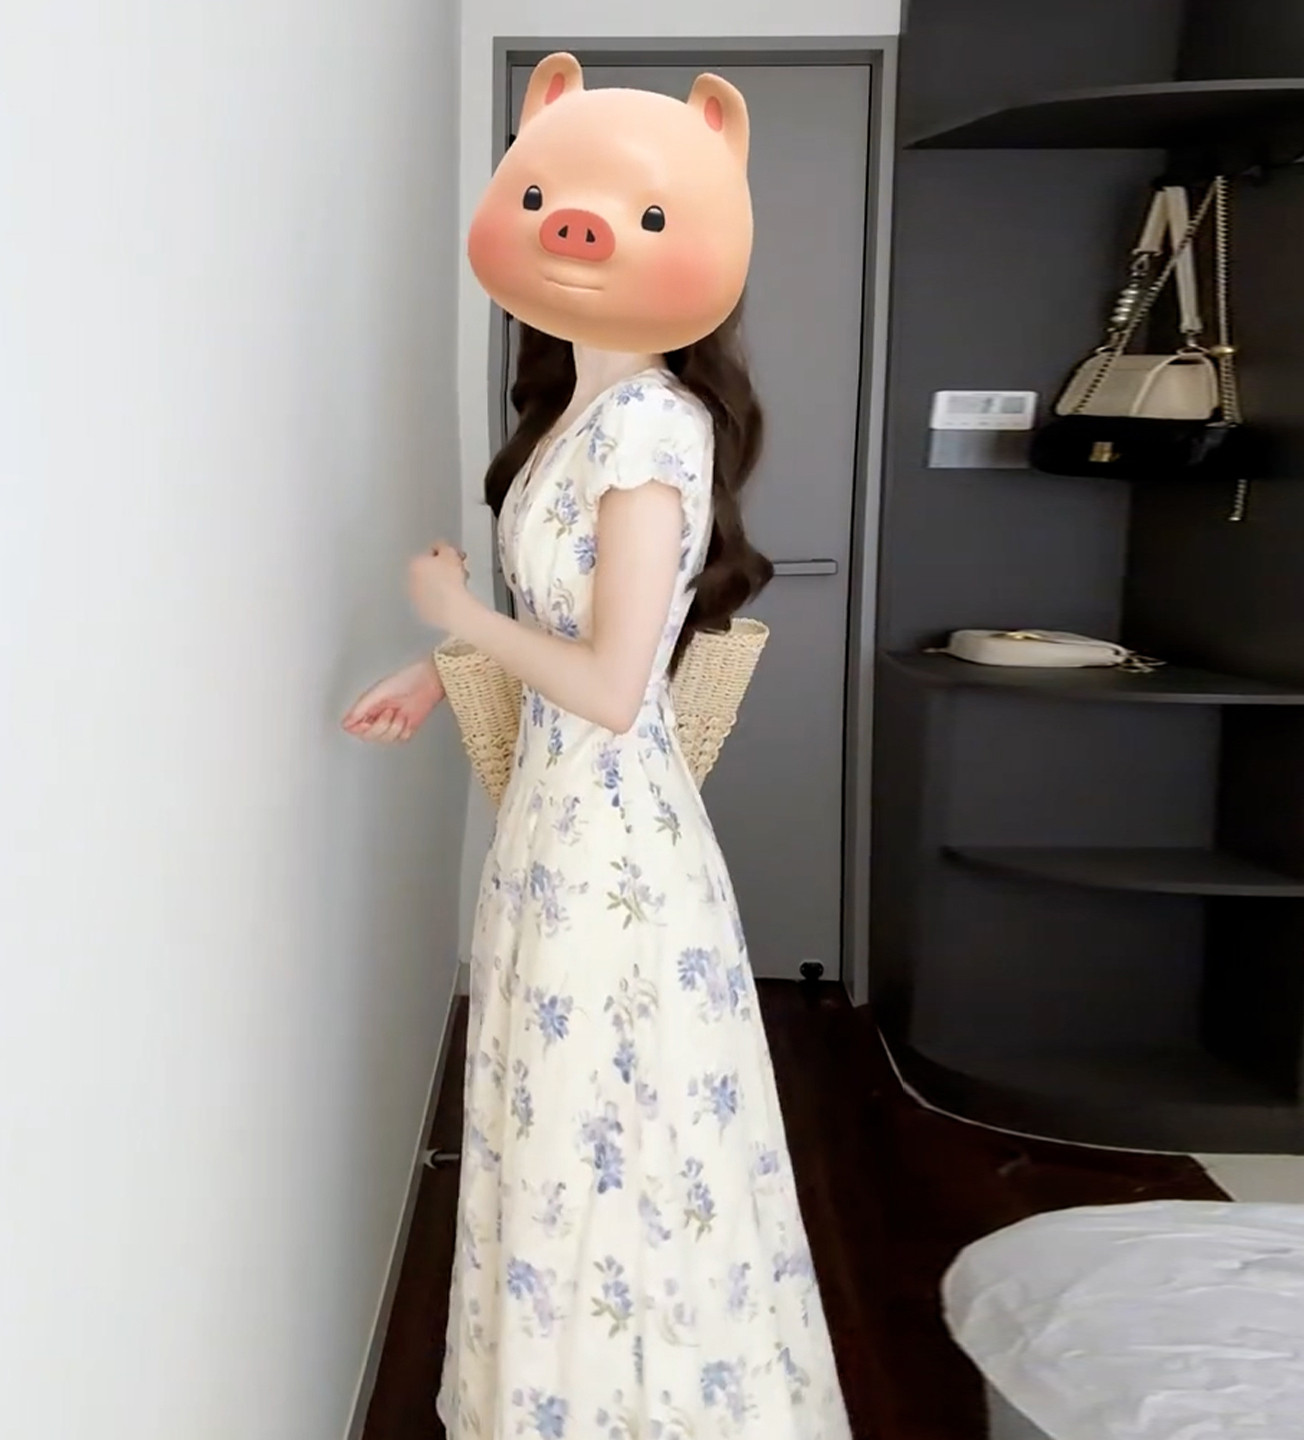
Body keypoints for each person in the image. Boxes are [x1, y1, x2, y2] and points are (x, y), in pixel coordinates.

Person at [344, 53, 851, 1440]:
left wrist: (453, 614)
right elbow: (560, 624)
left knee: (605, 1128)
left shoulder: (650, 430)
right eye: (556, 200)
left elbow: (615, 687)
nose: (581, 231)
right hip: (559, 829)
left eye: (644, 216)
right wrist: (442, 670)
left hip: (611, 842)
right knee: (565, 1121)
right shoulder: (571, 411)